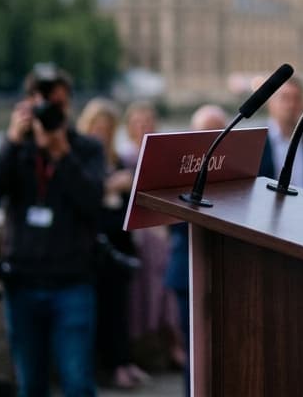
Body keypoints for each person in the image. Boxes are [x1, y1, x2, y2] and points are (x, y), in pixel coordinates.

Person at [0, 64, 106, 397]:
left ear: (69, 106)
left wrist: (62, 154)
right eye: (45, 103)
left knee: (78, 382)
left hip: (73, 283)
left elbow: (93, 202)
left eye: (59, 104)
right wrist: (12, 140)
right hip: (22, 282)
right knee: (30, 385)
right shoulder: (17, 148)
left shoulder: (86, 149)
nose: (53, 111)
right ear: (29, 104)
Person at [77, 97, 147, 390]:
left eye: (107, 128)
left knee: (121, 309)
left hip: (119, 243)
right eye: (98, 127)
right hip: (93, 250)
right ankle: (103, 367)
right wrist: (108, 187)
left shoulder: (116, 159)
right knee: (96, 312)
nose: (102, 134)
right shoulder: (80, 160)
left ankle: (122, 361)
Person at [167, 103, 228, 396]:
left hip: (229, 270)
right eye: (206, 131)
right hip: (186, 268)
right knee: (195, 351)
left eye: (219, 130)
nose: (213, 136)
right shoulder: (178, 168)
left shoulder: (236, 168)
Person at [124, 102, 182, 370]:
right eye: (138, 123)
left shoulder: (166, 156)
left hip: (161, 233)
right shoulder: (124, 158)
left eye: (148, 121)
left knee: (166, 291)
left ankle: (173, 344)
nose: (143, 127)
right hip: (138, 236)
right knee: (143, 293)